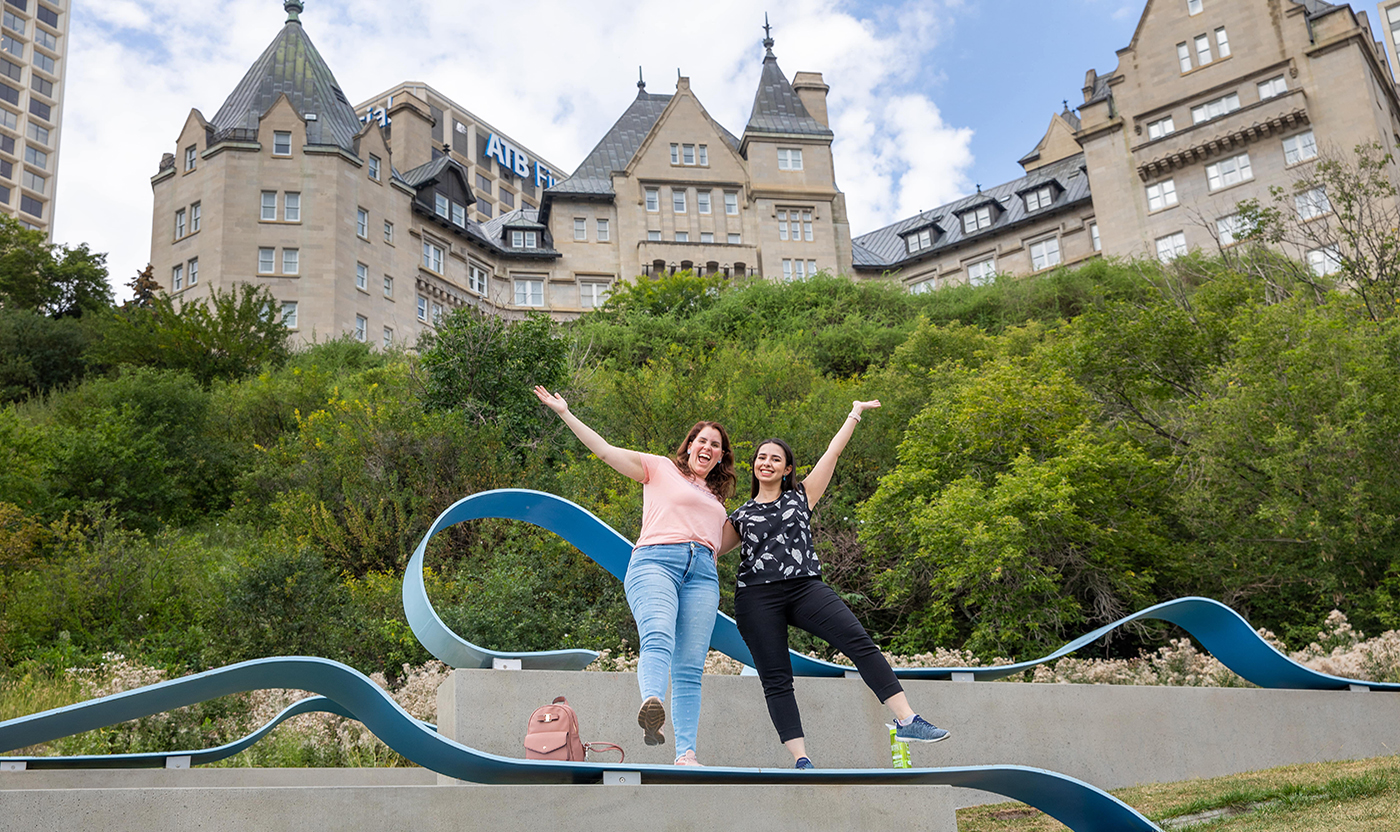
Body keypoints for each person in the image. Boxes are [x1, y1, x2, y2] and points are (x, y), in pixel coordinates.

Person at [721, 400, 950, 769]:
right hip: (756, 597)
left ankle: (908, 720)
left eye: (775, 459)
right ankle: (801, 759)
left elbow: (834, 451)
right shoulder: (741, 514)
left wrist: (854, 412)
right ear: (754, 466)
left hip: (805, 587)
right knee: (777, 678)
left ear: (787, 469)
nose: (766, 462)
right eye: (761, 457)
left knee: (859, 642)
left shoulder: (802, 496)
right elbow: (708, 548)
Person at [533, 386, 735, 767]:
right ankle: (651, 702)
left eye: (716, 445)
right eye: (701, 440)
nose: (707, 447)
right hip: (657, 561)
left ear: (722, 456)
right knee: (658, 633)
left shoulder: (716, 499)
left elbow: (720, 542)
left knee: (691, 667)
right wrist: (564, 413)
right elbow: (606, 451)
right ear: (690, 445)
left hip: (704, 573)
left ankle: (686, 754)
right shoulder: (659, 468)